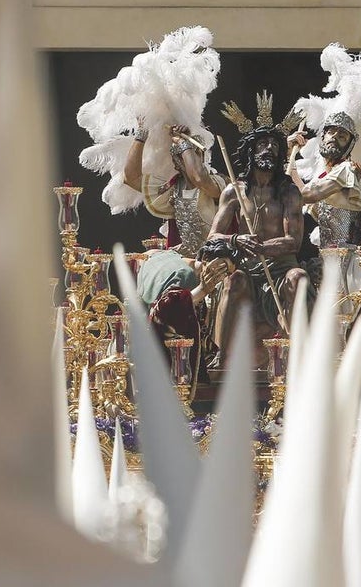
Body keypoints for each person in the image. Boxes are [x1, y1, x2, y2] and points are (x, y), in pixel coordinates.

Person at [209, 94, 311, 367]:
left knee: (299, 277)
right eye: (262, 144)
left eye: (275, 145)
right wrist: (236, 239)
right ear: (250, 151)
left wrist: (262, 247)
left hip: (281, 268)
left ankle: (297, 353)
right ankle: (222, 354)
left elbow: (293, 242)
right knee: (234, 281)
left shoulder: (289, 192)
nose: (269, 149)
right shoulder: (234, 191)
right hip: (248, 268)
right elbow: (213, 237)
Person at [136, 241, 237, 395]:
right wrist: (202, 290)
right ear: (205, 259)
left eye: (227, 273)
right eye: (221, 268)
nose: (222, 277)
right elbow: (168, 307)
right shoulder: (185, 275)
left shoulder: (170, 256)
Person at [124, 123, 225, 259]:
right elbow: (131, 177)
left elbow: (199, 178)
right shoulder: (173, 188)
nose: (188, 157)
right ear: (176, 162)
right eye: (181, 154)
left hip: (216, 260)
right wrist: (143, 131)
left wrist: (182, 141)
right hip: (186, 262)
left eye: (194, 153)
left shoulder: (219, 183)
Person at [286, 111, 361, 249]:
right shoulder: (325, 177)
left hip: (351, 256)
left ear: (349, 145)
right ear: (323, 137)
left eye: (342, 136)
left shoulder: (347, 169)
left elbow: (306, 195)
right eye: (331, 132)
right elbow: (302, 194)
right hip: (330, 255)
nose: (335, 136)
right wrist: (289, 156)